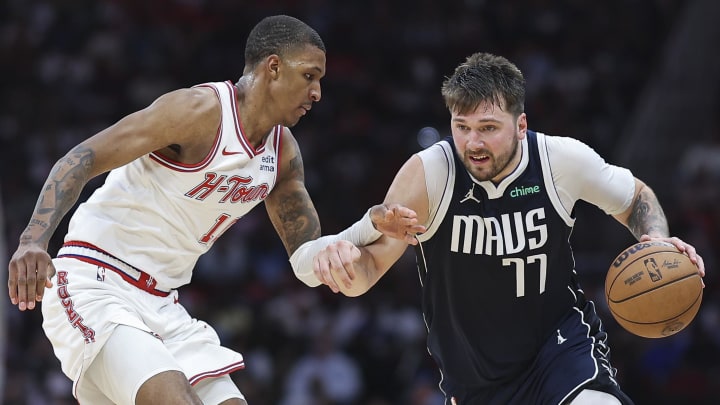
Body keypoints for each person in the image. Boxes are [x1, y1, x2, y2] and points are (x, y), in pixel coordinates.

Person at [6, 14, 412, 405]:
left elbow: (307, 263)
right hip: (95, 280)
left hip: (163, 303)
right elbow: (82, 157)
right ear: (273, 68)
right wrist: (32, 241)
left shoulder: (283, 153)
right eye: (310, 76)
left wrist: (366, 227)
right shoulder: (198, 112)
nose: (317, 93)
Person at [290, 52, 706, 404]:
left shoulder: (560, 161)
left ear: (521, 126)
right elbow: (368, 271)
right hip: (475, 380)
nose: (473, 143)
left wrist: (656, 237)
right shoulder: (428, 175)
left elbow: (635, 197)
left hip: (559, 348)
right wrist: (341, 264)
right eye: (462, 127)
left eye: (488, 128)